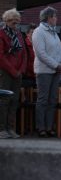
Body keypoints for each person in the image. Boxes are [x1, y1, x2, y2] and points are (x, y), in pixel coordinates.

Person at [32, 7, 61, 137]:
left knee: (52, 99)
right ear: (48, 18)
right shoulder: (38, 32)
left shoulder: (54, 32)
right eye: (55, 16)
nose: (56, 19)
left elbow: (60, 49)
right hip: (44, 71)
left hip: (56, 71)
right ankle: (41, 127)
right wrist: (56, 65)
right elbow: (41, 53)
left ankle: (49, 126)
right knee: (43, 99)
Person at [0, 9, 27, 139]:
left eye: (17, 22)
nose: (15, 25)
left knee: (14, 101)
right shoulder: (1, 33)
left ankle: (11, 128)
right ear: (6, 21)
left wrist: (21, 70)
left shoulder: (19, 34)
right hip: (5, 72)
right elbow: (1, 56)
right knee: (4, 100)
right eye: (12, 22)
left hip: (17, 72)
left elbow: (24, 54)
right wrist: (12, 70)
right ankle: (2, 129)